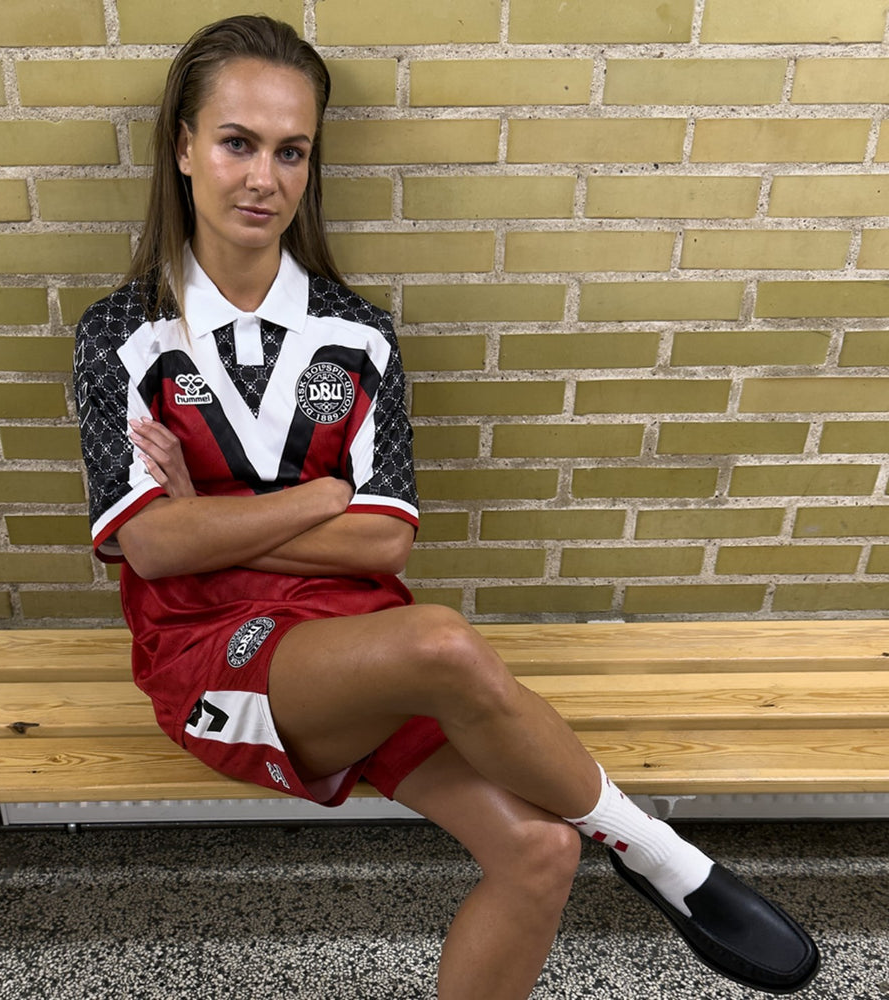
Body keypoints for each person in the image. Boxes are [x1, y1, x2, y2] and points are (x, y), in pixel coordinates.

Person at [73, 15, 819, 998]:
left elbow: (383, 540)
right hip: (212, 651)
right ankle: (662, 856)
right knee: (443, 644)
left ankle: (625, 850)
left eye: (291, 151)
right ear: (182, 147)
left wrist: (213, 518)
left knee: (541, 851)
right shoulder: (121, 335)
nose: (264, 178)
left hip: (356, 641)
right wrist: (319, 496)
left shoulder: (359, 333)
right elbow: (154, 550)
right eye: (236, 143)